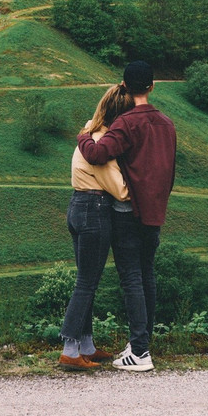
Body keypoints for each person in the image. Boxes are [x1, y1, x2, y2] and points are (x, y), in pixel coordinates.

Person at [77, 60, 176, 372]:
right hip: (155, 212)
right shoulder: (167, 124)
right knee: (147, 275)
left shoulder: (126, 123)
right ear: (152, 86)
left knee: (131, 276)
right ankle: (140, 343)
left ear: (123, 85)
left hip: (127, 212)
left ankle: (141, 352)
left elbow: (95, 154)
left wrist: (83, 134)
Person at [58, 84, 134, 371]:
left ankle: (85, 344)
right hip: (95, 210)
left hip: (78, 206)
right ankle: (70, 348)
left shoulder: (89, 132)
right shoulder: (102, 146)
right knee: (87, 283)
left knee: (86, 278)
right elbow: (121, 190)